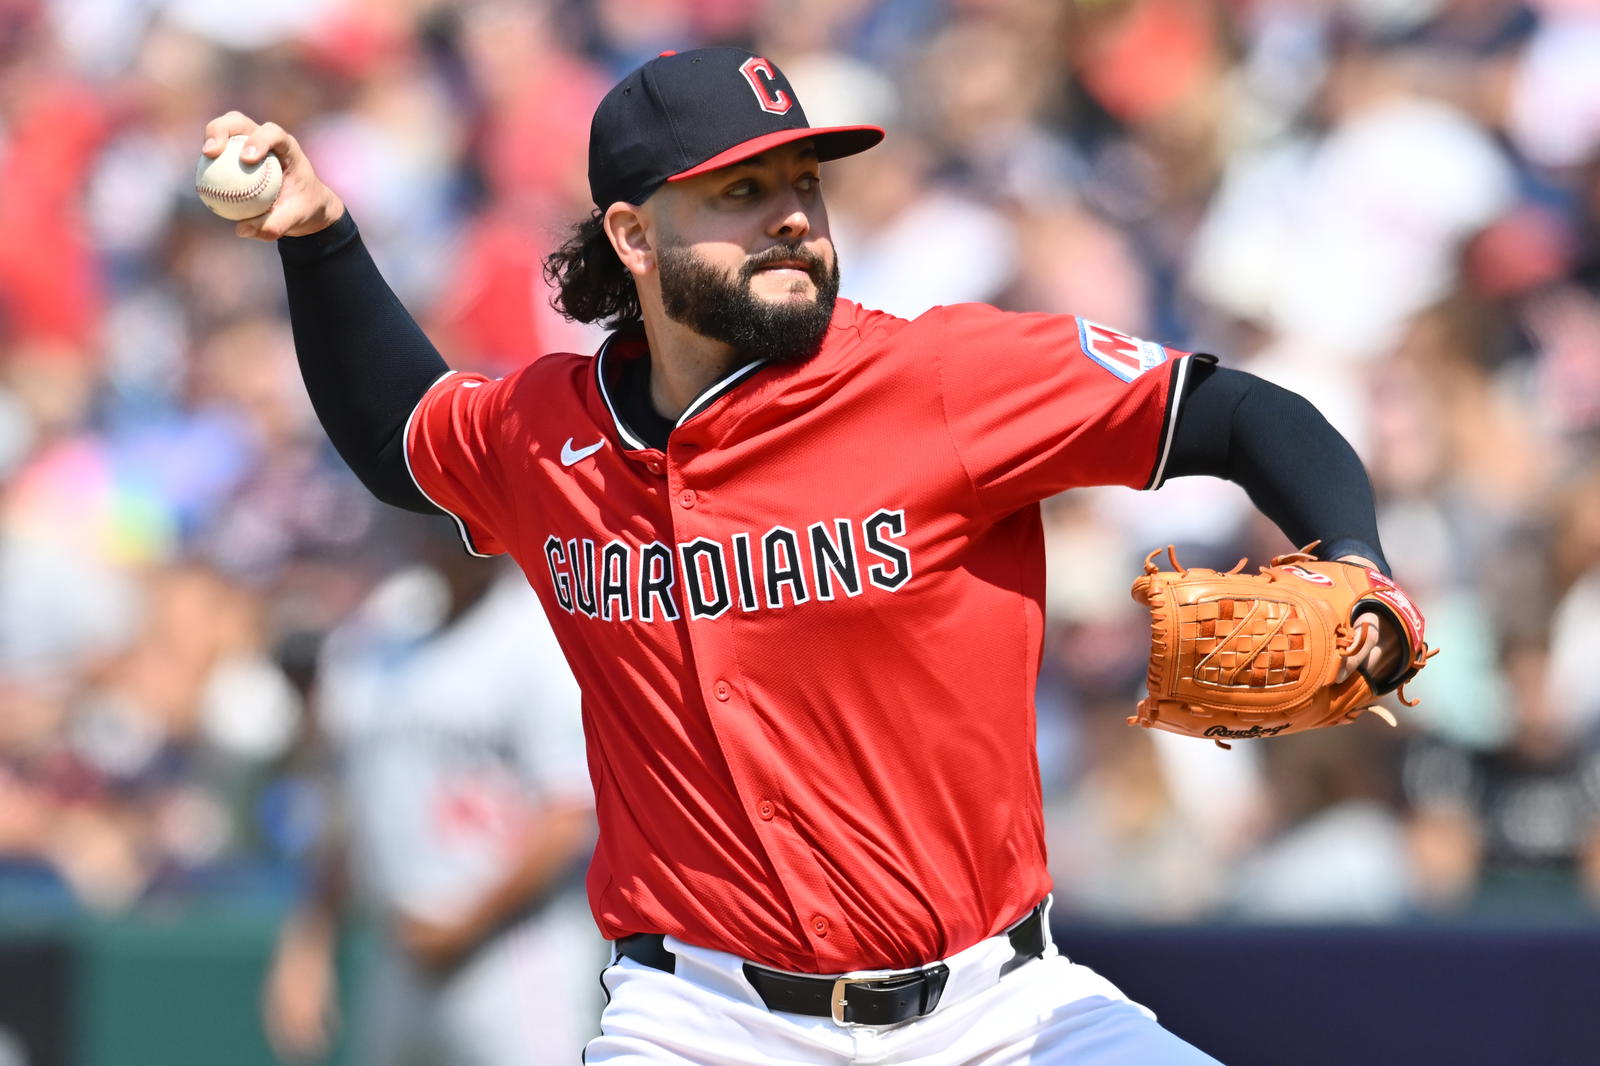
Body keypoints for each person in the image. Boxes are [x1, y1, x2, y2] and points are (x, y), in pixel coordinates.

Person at [207, 45, 1412, 1065]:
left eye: (801, 182)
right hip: (699, 1017)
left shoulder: (939, 379)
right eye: (739, 191)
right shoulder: (548, 432)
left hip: (1000, 1009)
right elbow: (398, 436)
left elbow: (1238, 413)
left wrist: (1352, 554)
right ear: (632, 233)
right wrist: (315, 239)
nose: (791, 211)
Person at [261, 521, 597, 1066]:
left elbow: (569, 816)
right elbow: (353, 809)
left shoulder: (538, 635)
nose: (444, 537)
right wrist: (309, 943)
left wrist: (463, 922)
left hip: (516, 953)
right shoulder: (382, 638)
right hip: (399, 955)